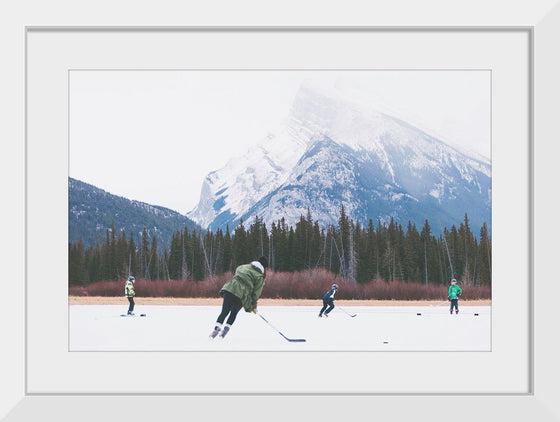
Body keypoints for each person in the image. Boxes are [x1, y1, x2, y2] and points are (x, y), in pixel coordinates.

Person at [209, 256, 268, 339]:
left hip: (230, 289)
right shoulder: (259, 277)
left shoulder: (243, 266)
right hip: (242, 294)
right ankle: (225, 331)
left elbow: (237, 272)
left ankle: (216, 330)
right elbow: (256, 294)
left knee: (224, 311)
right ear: (264, 268)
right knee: (234, 312)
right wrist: (254, 306)